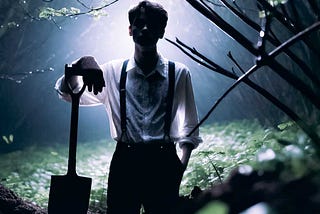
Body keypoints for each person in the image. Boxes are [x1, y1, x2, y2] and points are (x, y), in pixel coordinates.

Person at [55, 1, 202, 213]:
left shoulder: (178, 73)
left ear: (161, 32)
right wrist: (81, 63)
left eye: (152, 25)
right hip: (125, 162)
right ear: (130, 30)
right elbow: (67, 92)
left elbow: (190, 128)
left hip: (164, 162)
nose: (145, 29)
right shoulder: (112, 72)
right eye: (139, 23)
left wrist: (180, 166)